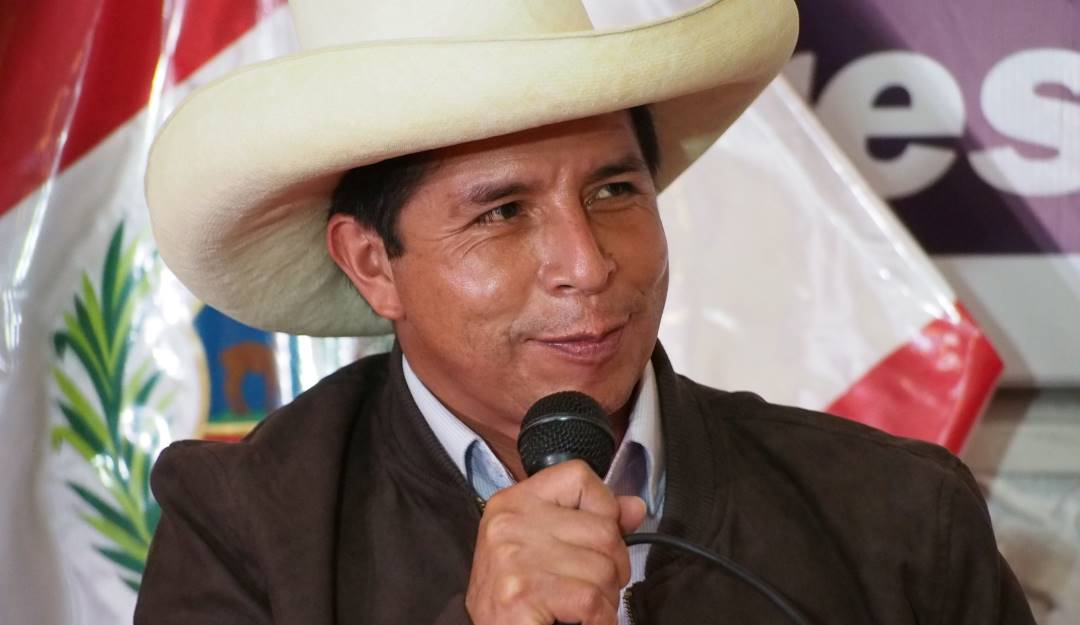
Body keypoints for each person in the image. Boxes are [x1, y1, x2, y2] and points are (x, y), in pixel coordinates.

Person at [135, 0, 1036, 624]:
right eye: (502, 212)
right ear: (373, 263)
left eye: (613, 190)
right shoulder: (244, 529)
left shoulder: (897, 513)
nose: (587, 263)